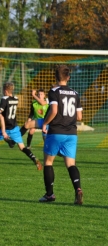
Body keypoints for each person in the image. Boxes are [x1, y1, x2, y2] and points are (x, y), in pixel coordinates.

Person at [39, 65, 83, 205]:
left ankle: (49, 195)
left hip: (56, 131)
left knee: (48, 162)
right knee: (71, 164)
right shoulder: (75, 93)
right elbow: (80, 116)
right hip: (72, 133)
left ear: (55, 77)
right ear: (68, 77)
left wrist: (45, 123)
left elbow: (53, 110)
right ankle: (78, 189)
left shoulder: (53, 91)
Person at [0, 82, 42, 171]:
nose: (3, 92)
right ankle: (34, 158)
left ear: (6, 91)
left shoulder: (4, 99)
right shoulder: (16, 98)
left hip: (5, 127)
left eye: (3, 90)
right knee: (22, 147)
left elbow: (0, 110)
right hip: (14, 127)